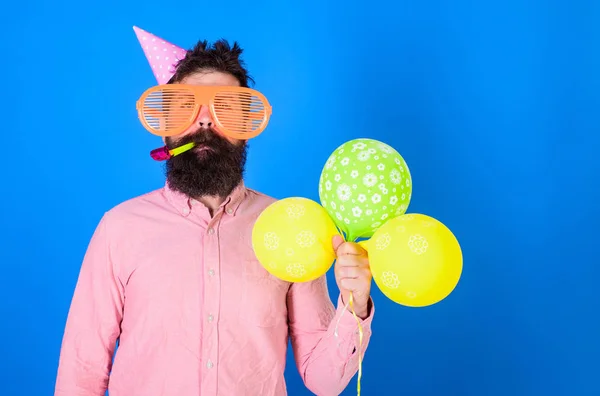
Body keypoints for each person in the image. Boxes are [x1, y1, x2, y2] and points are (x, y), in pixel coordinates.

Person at [54, 28, 375, 396]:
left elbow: (325, 381)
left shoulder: (293, 227)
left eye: (226, 110)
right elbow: (82, 369)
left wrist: (355, 303)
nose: (205, 122)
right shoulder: (119, 229)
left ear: (247, 131)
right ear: (164, 131)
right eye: (186, 108)